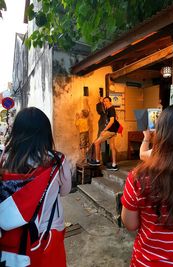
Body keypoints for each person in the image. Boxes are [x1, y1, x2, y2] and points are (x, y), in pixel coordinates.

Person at [121, 103, 173, 266]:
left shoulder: (138, 177)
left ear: (161, 133)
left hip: (147, 261)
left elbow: (130, 224)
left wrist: (146, 138)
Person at [0, 107, 71, 267]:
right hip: (47, 235)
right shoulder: (57, 161)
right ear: (45, 132)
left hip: (9, 237)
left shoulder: (4, 159)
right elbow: (65, 191)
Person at [88, 96, 119, 171]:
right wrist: (100, 101)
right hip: (114, 129)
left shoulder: (111, 109)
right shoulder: (109, 109)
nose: (105, 102)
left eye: (107, 101)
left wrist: (104, 130)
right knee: (112, 146)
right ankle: (114, 165)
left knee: (96, 143)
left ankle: (97, 161)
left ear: (110, 101)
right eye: (104, 101)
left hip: (111, 130)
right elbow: (114, 118)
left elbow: (111, 121)